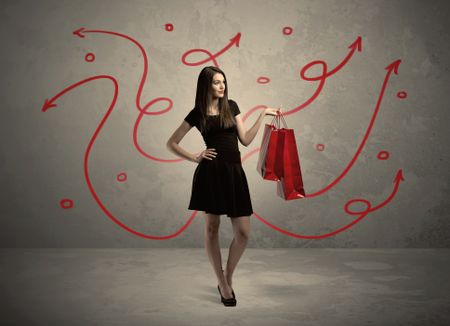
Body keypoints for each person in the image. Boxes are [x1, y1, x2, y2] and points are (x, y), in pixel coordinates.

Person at [166, 66, 280, 306]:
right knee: (212, 228)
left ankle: (227, 277)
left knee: (243, 232)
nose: (222, 86)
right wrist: (195, 156)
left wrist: (263, 115)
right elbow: (172, 142)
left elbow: (246, 140)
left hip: (234, 173)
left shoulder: (232, 106)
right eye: (217, 82)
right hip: (211, 174)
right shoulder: (197, 113)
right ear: (206, 85)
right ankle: (223, 282)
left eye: (223, 82)